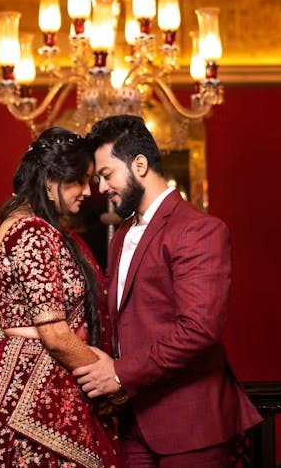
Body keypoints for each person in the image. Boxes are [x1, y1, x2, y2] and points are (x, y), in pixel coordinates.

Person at [73, 114, 261, 467]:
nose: (102, 188)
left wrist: (118, 373)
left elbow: (199, 330)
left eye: (106, 174)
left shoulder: (199, 230)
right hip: (130, 420)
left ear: (139, 165)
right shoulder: (123, 235)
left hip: (189, 424)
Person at [0, 127, 122, 468]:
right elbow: (54, 334)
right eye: (79, 181)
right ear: (50, 180)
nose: (88, 191)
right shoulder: (33, 231)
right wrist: (111, 380)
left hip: (36, 378)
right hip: (38, 387)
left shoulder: (23, 224)